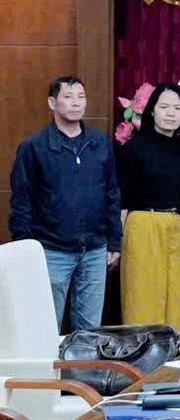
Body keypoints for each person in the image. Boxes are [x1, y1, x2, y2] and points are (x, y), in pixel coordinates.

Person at [9, 76, 121, 332]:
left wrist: (114, 241)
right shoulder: (34, 147)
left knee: (90, 330)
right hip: (51, 250)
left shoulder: (99, 143)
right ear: (52, 102)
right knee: (46, 326)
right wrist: (26, 249)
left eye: (81, 97)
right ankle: (48, 374)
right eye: (68, 97)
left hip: (94, 250)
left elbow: (112, 193)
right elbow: (22, 201)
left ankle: (82, 374)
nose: (76, 103)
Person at [118, 82, 180, 335]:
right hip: (143, 223)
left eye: (177, 107)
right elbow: (122, 198)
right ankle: (140, 362)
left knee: (176, 296)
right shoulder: (133, 148)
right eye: (164, 107)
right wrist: (114, 244)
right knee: (142, 294)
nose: (171, 113)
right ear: (151, 111)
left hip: (179, 225)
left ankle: (172, 359)